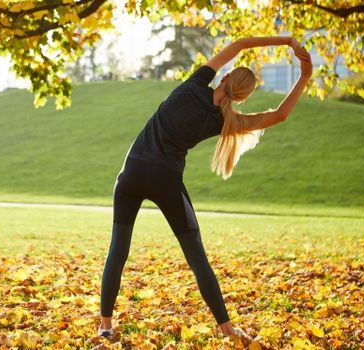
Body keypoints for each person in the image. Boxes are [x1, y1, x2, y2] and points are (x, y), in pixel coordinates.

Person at [98, 36, 313, 344]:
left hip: (131, 172)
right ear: (241, 98)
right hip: (166, 181)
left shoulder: (195, 83)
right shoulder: (226, 121)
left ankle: (105, 325)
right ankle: (226, 329)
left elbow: (240, 44)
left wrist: (286, 41)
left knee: (117, 250)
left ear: (223, 77)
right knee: (197, 258)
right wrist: (304, 77)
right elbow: (279, 115)